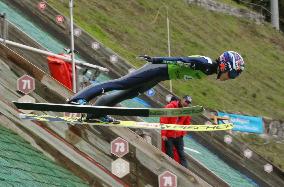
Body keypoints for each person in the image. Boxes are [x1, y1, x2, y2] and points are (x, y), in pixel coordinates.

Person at [67, 51, 245, 121]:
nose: (233, 77)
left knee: (127, 94)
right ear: (225, 66)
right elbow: (181, 60)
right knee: (120, 84)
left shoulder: (208, 70)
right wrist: (156, 60)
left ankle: (95, 112)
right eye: (234, 73)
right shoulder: (204, 64)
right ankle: (78, 99)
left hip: (160, 76)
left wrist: (209, 116)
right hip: (157, 69)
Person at [160, 95, 192, 168]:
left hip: (178, 136)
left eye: (188, 103)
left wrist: (183, 133)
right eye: (186, 101)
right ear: (182, 99)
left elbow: (187, 123)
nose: (186, 103)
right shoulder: (170, 106)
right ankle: (169, 167)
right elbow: (164, 120)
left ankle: (184, 170)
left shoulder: (187, 111)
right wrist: (163, 134)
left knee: (182, 154)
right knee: (169, 153)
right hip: (169, 135)